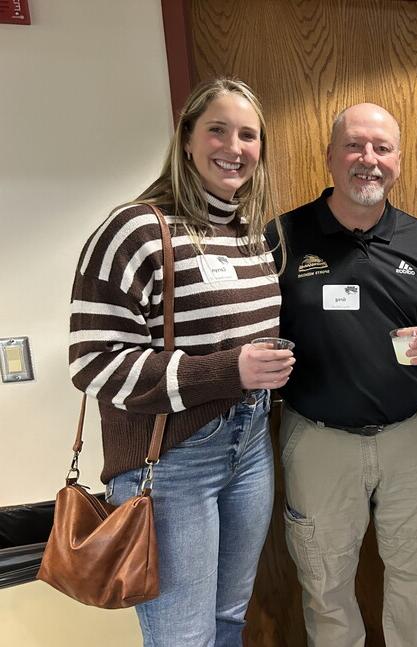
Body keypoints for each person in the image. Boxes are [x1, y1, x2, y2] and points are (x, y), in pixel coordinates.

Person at [69, 78, 294, 646]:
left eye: (248, 134)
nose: (233, 146)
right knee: (181, 637)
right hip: (170, 462)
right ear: (187, 140)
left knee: (227, 620)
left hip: (249, 445)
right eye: (217, 129)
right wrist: (227, 371)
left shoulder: (253, 237)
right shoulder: (135, 229)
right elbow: (94, 363)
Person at [265, 102, 417, 647]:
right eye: (355, 146)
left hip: (413, 436)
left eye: (382, 148)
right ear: (330, 157)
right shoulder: (282, 237)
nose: (368, 160)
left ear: (399, 160)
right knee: (324, 584)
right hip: (317, 439)